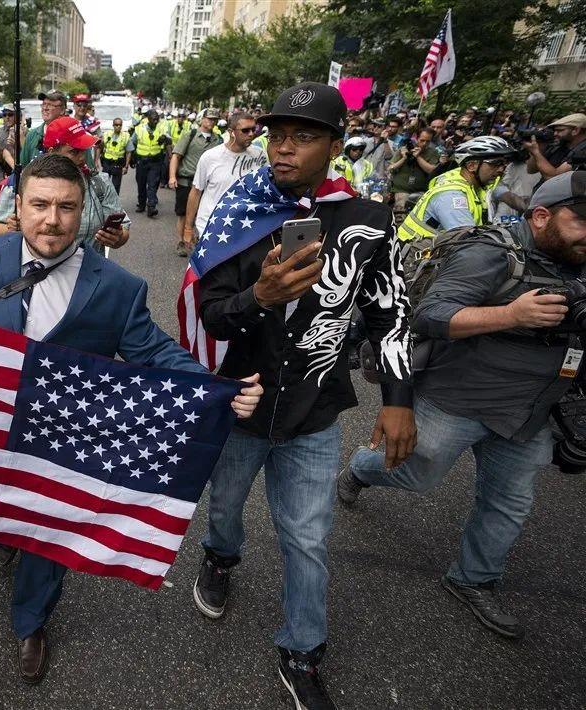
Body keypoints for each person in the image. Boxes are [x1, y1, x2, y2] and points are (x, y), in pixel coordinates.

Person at [0, 152, 264, 684]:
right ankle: (4, 537)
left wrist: (219, 390)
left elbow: (155, 352)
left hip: (58, 441)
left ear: (83, 212)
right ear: (18, 205)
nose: (51, 220)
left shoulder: (117, 287)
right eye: (39, 205)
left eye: (66, 207)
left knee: (45, 533)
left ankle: (32, 621)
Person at [193, 83, 415, 710]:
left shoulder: (370, 221)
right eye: (276, 136)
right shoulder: (241, 211)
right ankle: (219, 558)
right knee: (227, 509)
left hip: (314, 411)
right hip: (241, 403)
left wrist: (398, 398)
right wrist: (257, 298)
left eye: (304, 136)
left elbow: (390, 315)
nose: (284, 149)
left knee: (309, 537)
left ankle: (302, 650)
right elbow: (211, 317)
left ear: (336, 145)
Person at [338, 171, 586, 640]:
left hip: (529, 414)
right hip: (457, 401)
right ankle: (358, 471)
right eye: (581, 221)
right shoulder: (492, 253)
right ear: (540, 217)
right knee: (413, 473)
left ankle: (474, 578)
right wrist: (511, 315)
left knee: (511, 502)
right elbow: (430, 315)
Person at [0, 116, 129, 254]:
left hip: (88, 274)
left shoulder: (99, 183)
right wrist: (11, 228)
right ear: (52, 152)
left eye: (84, 149)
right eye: (74, 151)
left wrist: (117, 237)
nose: (82, 157)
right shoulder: (23, 180)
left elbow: (123, 230)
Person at [398, 136, 518, 246]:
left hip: (433, 253)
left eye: (504, 164)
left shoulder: (475, 183)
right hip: (411, 259)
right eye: (496, 163)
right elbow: (469, 244)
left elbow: (505, 194)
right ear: (471, 166)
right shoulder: (451, 196)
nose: (502, 169)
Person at [185, 110, 267, 252]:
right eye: (245, 130)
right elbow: (196, 192)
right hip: (210, 228)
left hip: (244, 229)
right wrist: (188, 228)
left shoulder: (260, 155)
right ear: (231, 132)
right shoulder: (210, 157)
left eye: (254, 129)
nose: (251, 134)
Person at [169, 108, 223, 256]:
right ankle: (181, 242)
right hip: (187, 181)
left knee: (204, 213)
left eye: (214, 119)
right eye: (209, 118)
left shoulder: (218, 140)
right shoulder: (190, 135)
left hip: (207, 184)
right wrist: (172, 176)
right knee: (183, 214)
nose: (212, 122)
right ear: (202, 119)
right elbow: (176, 156)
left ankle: (198, 240)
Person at [128, 109, 170, 217]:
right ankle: (141, 204)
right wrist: (132, 159)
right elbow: (132, 143)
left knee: (152, 184)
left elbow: (168, 139)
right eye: (153, 119)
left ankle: (151, 206)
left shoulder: (161, 128)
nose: (155, 121)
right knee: (141, 184)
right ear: (148, 119)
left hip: (155, 162)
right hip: (141, 161)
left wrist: (165, 138)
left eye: (157, 119)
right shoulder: (139, 129)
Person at [387, 127, 438, 211]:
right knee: (401, 211)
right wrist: (404, 158)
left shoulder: (433, 152)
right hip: (401, 190)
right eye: (422, 140)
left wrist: (418, 157)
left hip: (420, 191)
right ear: (416, 138)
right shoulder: (404, 149)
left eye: (428, 141)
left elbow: (431, 170)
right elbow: (390, 168)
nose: (424, 144)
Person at [526, 113, 586, 180]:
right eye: (555, 130)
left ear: (576, 130)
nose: (555, 134)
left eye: (560, 130)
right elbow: (531, 170)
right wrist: (538, 150)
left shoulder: (583, 153)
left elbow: (554, 179)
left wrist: (536, 152)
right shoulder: (558, 146)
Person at [19, 91, 67, 166]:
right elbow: (23, 167)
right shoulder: (32, 135)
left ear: (62, 110)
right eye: (44, 104)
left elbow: (86, 170)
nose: (45, 108)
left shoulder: (73, 133)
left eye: (50, 105)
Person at [99, 118, 131, 194]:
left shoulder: (126, 136)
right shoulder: (107, 134)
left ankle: (114, 204)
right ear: (113, 125)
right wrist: (97, 161)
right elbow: (100, 148)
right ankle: (104, 203)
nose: (118, 127)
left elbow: (128, 152)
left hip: (118, 163)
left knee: (116, 186)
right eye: (116, 125)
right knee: (104, 184)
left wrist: (126, 166)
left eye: (120, 125)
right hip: (107, 162)